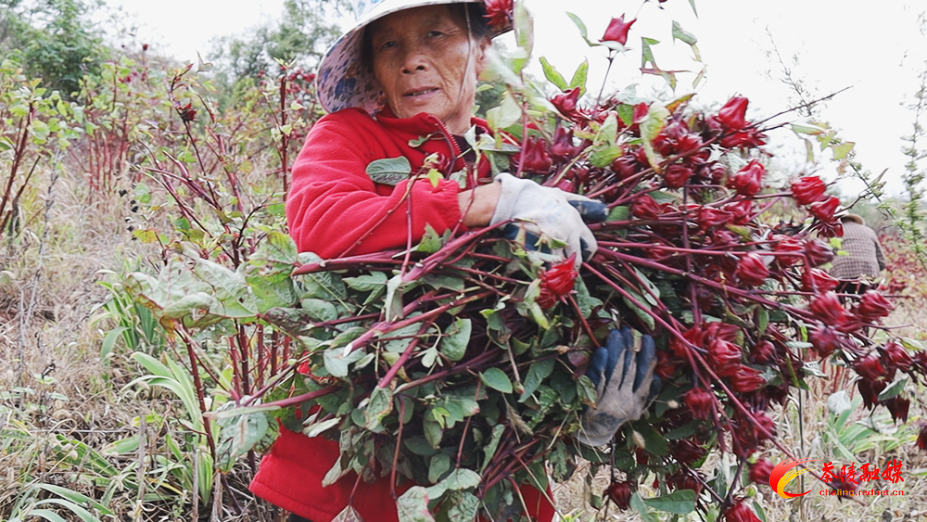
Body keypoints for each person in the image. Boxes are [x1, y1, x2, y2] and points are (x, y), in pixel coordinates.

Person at [248, 1, 657, 520]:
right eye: (389, 45)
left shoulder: (522, 157)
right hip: (350, 470)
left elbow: (563, 319)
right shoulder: (349, 135)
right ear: (374, 68)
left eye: (436, 35)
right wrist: (486, 203)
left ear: (481, 51)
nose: (411, 60)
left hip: (491, 476)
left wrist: (583, 415)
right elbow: (322, 227)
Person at [831, 214, 886, 294]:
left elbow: (828, 256)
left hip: (841, 274)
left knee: (841, 298)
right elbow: (881, 261)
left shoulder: (835, 233)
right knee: (866, 298)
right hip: (869, 272)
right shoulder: (869, 231)